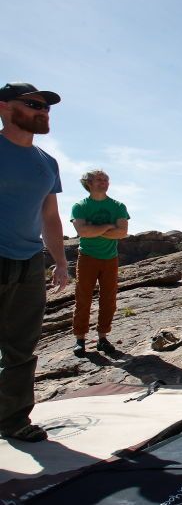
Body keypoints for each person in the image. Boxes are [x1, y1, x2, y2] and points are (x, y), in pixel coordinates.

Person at [0, 82, 69, 442]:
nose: (43, 111)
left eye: (46, 107)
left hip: (29, 265)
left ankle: (12, 421)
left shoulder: (47, 163)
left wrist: (59, 262)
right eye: (33, 104)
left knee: (21, 349)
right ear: (4, 107)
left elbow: (51, 216)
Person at [70, 170, 129, 356]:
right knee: (83, 298)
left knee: (109, 300)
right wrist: (107, 227)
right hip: (87, 257)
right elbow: (83, 232)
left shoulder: (118, 206)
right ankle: (80, 339)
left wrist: (93, 230)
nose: (104, 182)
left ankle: (102, 338)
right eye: (99, 179)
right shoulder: (80, 206)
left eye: (106, 180)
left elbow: (122, 233)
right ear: (88, 183)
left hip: (110, 258)